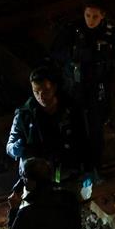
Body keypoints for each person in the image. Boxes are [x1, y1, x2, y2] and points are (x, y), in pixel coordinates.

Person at [51, 0, 115, 188]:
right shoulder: (73, 29)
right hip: (75, 88)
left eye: (94, 16)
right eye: (88, 15)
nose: (90, 20)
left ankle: (94, 168)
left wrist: (107, 57)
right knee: (74, 128)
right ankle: (76, 167)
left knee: (95, 129)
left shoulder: (109, 32)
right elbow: (56, 52)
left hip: (97, 89)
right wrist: (74, 54)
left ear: (102, 16)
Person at [6, 65, 84, 193]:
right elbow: (10, 148)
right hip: (36, 181)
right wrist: (21, 147)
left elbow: (83, 139)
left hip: (67, 176)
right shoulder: (24, 114)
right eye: (36, 92)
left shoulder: (70, 110)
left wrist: (86, 168)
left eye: (45, 91)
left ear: (54, 87)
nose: (41, 97)